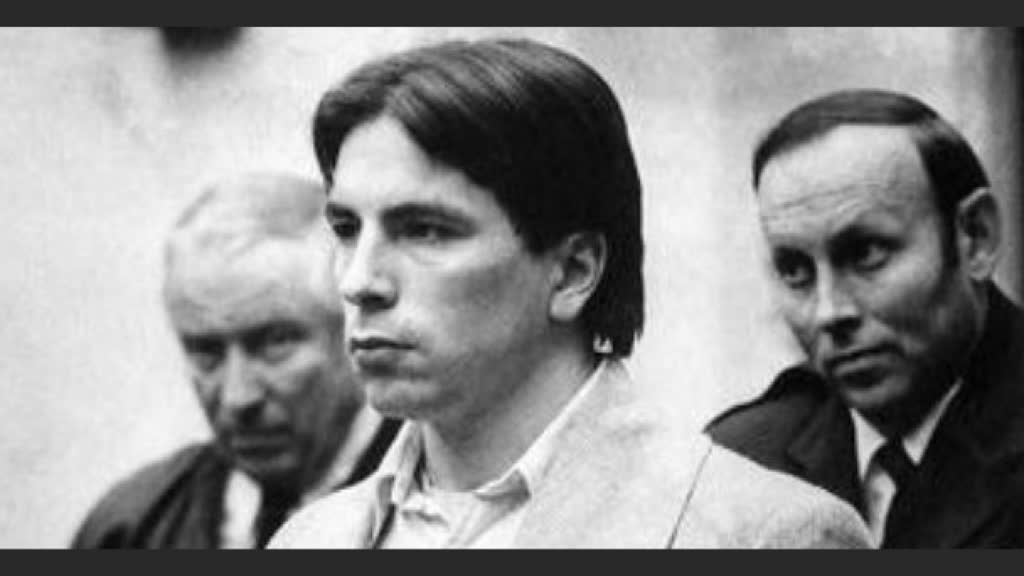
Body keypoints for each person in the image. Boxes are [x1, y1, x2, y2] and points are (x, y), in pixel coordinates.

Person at [269, 38, 870, 549]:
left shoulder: (761, 534)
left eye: (425, 230)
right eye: (346, 228)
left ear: (573, 272)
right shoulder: (308, 538)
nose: (358, 281)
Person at [707, 89, 1024, 548]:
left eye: (867, 253)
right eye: (795, 270)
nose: (829, 311)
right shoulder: (740, 465)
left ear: (975, 237)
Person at [72, 173, 400, 549]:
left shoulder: (444, 510)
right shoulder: (131, 528)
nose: (237, 398)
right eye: (206, 351)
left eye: (274, 343)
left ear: (353, 332)